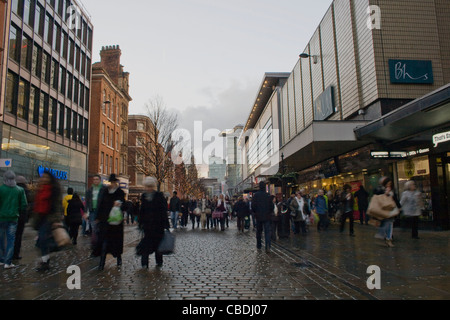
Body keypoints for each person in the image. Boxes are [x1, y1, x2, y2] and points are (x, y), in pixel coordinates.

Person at [137, 177, 171, 269]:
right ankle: (144, 263)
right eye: (147, 186)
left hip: (158, 225)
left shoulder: (159, 196)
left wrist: (166, 225)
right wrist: (140, 222)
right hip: (147, 225)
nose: (148, 188)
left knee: (158, 245)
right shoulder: (144, 196)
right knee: (146, 245)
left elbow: (163, 211)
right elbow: (142, 210)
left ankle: (159, 261)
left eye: (150, 186)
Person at [95, 174, 126, 270]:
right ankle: (102, 263)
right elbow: (100, 204)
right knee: (104, 243)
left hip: (116, 222)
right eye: (111, 182)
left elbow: (125, 206)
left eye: (113, 182)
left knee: (116, 242)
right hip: (105, 221)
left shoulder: (120, 192)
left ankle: (118, 258)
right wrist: (98, 217)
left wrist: (120, 205)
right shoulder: (104, 192)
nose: (112, 184)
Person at [33, 172, 63, 272]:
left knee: (42, 239)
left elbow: (57, 205)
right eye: (43, 177)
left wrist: (57, 219)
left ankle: (45, 262)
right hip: (40, 217)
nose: (44, 179)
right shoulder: (40, 189)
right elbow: (34, 201)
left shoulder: (54, 189)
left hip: (49, 218)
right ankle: (46, 259)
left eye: (46, 177)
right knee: (41, 241)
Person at [0, 171, 28, 269]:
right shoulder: (20, 190)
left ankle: (1, 259)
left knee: (1, 239)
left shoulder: (1, 189)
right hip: (13, 218)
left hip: (1, 217)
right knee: (11, 240)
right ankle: (8, 262)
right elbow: (24, 204)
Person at [374, 177, 401, 247]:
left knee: (390, 224)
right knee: (385, 223)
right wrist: (385, 193)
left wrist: (399, 207)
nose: (389, 185)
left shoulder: (392, 191)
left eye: (390, 184)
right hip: (383, 210)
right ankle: (384, 235)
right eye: (387, 184)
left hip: (391, 210)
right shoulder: (381, 190)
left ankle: (388, 239)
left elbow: (395, 199)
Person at [13, 176, 32, 261]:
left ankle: (7, 253)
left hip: (11, 215)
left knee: (9, 236)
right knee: (18, 235)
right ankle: (16, 254)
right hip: (21, 216)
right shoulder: (26, 191)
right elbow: (29, 204)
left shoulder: (12, 190)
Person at [252, 182, 274, 253]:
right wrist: (269, 212)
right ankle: (268, 246)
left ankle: (259, 245)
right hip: (267, 216)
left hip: (258, 216)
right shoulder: (267, 195)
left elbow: (253, 206)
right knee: (267, 232)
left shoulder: (256, 195)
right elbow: (272, 206)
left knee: (259, 232)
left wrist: (255, 212)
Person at [86, 174, 103, 247]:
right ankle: (95, 244)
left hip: (101, 211)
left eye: (97, 179)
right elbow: (87, 201)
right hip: (92, 211)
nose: (95, 181)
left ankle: (100, 242)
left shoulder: (103, 189)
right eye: (94, 179)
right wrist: (85, 212)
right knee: (93, 227)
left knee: (100, 227)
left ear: (100, 180)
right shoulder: (90, 190)